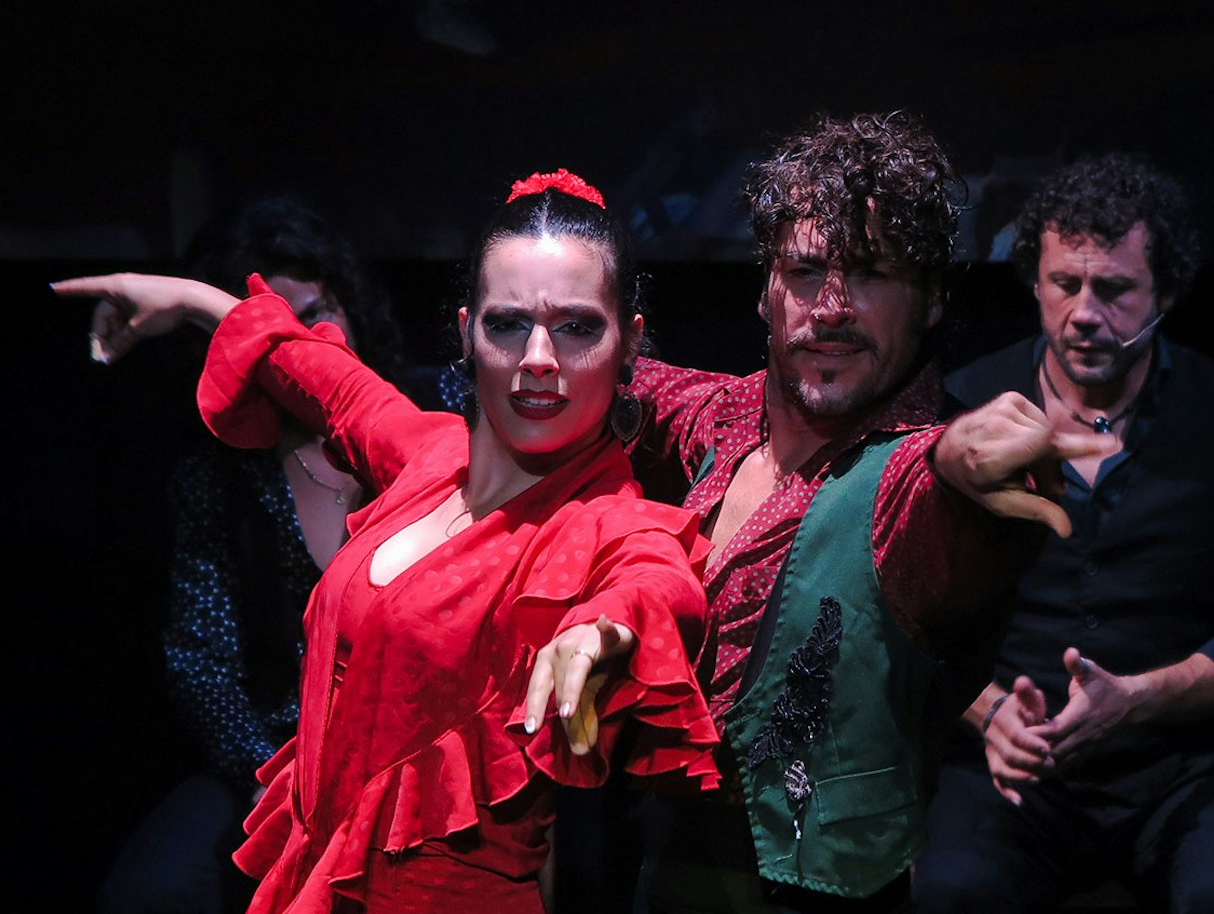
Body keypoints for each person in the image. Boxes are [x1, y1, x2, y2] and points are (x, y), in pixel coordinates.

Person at [55, 169, 721, 913]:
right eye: (507, 323)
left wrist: (605, 630)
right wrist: (189, 301)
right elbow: (313, 370)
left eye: (575, 326)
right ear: (467, 332)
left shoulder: (607, 520)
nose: (538, 356)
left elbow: (658, 582)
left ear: (628, 341)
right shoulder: (426, 452)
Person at [608, 110, 1082, 912]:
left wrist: (961, 466)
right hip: (662, 874)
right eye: (804, 272)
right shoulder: (723, 416)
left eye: (867, 273)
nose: (829, 306)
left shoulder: (911, 474)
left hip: (821, 889)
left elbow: (936, 515)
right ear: (765, 292)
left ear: (931, 297)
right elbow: (602, 385)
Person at [910, 153, 1214, 914]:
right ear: (1034, 281)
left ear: (1164, 292)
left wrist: (1136, 699)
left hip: (1182, 768)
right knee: (955, 891)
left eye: (1115, 290)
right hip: (1009, 767)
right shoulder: (964, 410)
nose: (1085, 313)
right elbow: (898, 609)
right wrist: (988, 711)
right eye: (1066, 285)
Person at [97, 196, 446, 914]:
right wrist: (263, 779)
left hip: (424, 739)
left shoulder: (428, 417)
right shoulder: (217, 478)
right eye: (271, 324)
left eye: (317, 311)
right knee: (155, 890)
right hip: (281, 748)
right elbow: (201, 660)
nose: (300, 340)